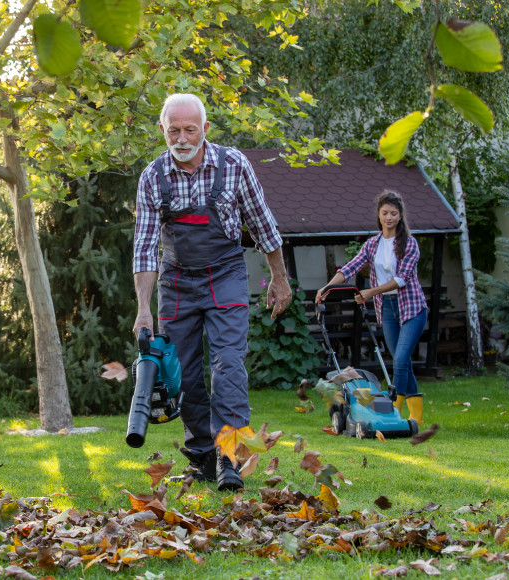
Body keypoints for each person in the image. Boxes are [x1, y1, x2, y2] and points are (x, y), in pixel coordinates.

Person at [133, 93, 291, 491]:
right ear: (163, 130)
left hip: (225, 275)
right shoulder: (153, 177)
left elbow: (262, 225)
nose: (182, 138)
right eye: (174, 130)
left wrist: (279, 278)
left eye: (190, 130)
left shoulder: (233, 165)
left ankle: (229, 457)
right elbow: (145, 247)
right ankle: (202, 456)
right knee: (181, 373)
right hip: (177, 281)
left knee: (229, 365)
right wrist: (143, 309)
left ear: (205, 129)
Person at [316, 190, 427, 425]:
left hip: (412, 308)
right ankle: (416, 415)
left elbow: (401, 279)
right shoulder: (372, 244)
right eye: (385, 213)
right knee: (401, 361)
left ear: (400, 216)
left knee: (400, 361)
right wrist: (326, 288)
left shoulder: (409, 244)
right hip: (386, 308)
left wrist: (370, 292)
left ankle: (393, 412)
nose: (389, 218)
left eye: (393, 214)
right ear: (379, 215)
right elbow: (349, 269)